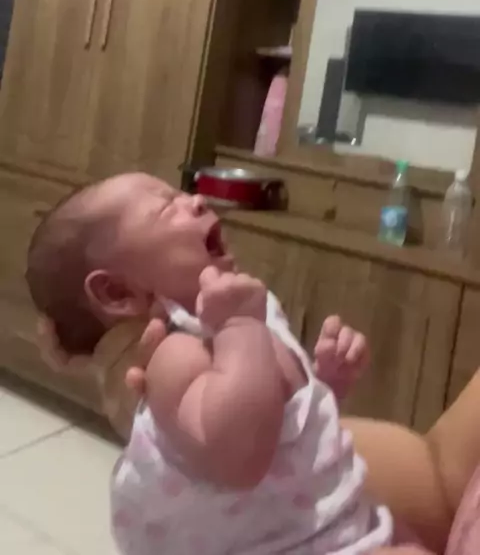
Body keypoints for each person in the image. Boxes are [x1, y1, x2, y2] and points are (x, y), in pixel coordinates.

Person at [26, 172, 419, 555]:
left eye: (183, 194)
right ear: (117, 291)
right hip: (287, 544)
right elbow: (241, 458)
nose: (197, 200)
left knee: (411, 536)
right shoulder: (175, 355)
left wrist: (326, 384)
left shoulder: (248, 315)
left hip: (328, 523)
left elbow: (281, 428)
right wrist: (240, 325)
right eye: (167, 208)